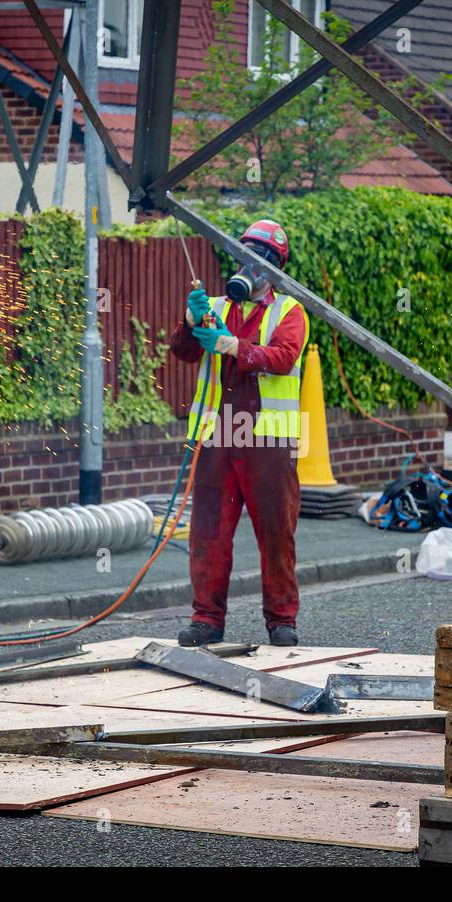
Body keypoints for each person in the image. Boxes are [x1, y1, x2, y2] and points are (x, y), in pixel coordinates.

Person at [170, 220, 309, 647]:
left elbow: (283, 357)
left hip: (268, 439)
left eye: (261, 257)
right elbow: (183, 351)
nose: (250, 265)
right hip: (217, 437)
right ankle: (207, 618)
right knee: (209, 531)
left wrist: (233, 346)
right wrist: (190, 320)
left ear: (275, 269)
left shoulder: (290, 311)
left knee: (275, 532)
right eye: (245, 252)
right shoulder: (212, 304)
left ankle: (282, 621)